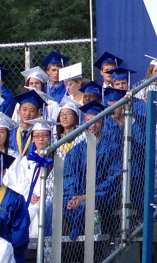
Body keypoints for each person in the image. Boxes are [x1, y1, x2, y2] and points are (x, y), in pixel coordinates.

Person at [63, 101, 120, 240]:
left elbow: (113, 179)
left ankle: (76, 235)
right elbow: (68, 178)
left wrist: (84, 196)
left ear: (102, 124)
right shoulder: (75, 151)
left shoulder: (112, 148)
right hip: (77, 195)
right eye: (89, 121)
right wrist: (73, 198)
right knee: (54, 206)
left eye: (97, 121)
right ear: (84, 123)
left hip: (103, 196)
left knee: (84, 204)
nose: (93, 125)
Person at [7, 118, 55, 239]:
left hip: (51, 196)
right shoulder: (26, 160)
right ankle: (29, 242)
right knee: (28, 209)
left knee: (38, 209)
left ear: (50, 137)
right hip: (30, 196)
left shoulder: (58, 158)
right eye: (37, 136)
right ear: (32, 139)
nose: (41, 139)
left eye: (44, 135)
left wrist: (44, 195)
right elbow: (22, 182)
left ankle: (40, 243)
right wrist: (30, 194)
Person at [8, 91, 44, 157]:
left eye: (32, 111)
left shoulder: (38, 135)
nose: (27, 113)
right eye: (24, 110)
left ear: (37, 115)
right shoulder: (10, 133)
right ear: (18, 112)